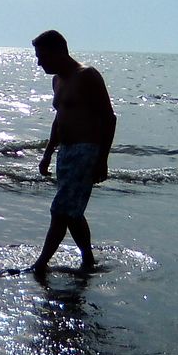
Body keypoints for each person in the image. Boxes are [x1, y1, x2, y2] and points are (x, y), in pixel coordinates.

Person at [30, 29, 116, 274]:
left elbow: (109, 118)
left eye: (42, 56)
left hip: (86, 151)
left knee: (61, 210)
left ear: (59, 51)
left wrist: (102, 159)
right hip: (65, 152)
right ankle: (88, 259)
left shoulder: (87, 76)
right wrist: (47, 153)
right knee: (72, 212)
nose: (39, 63)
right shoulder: (57, 80)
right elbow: (59, 120)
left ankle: (40, 264)